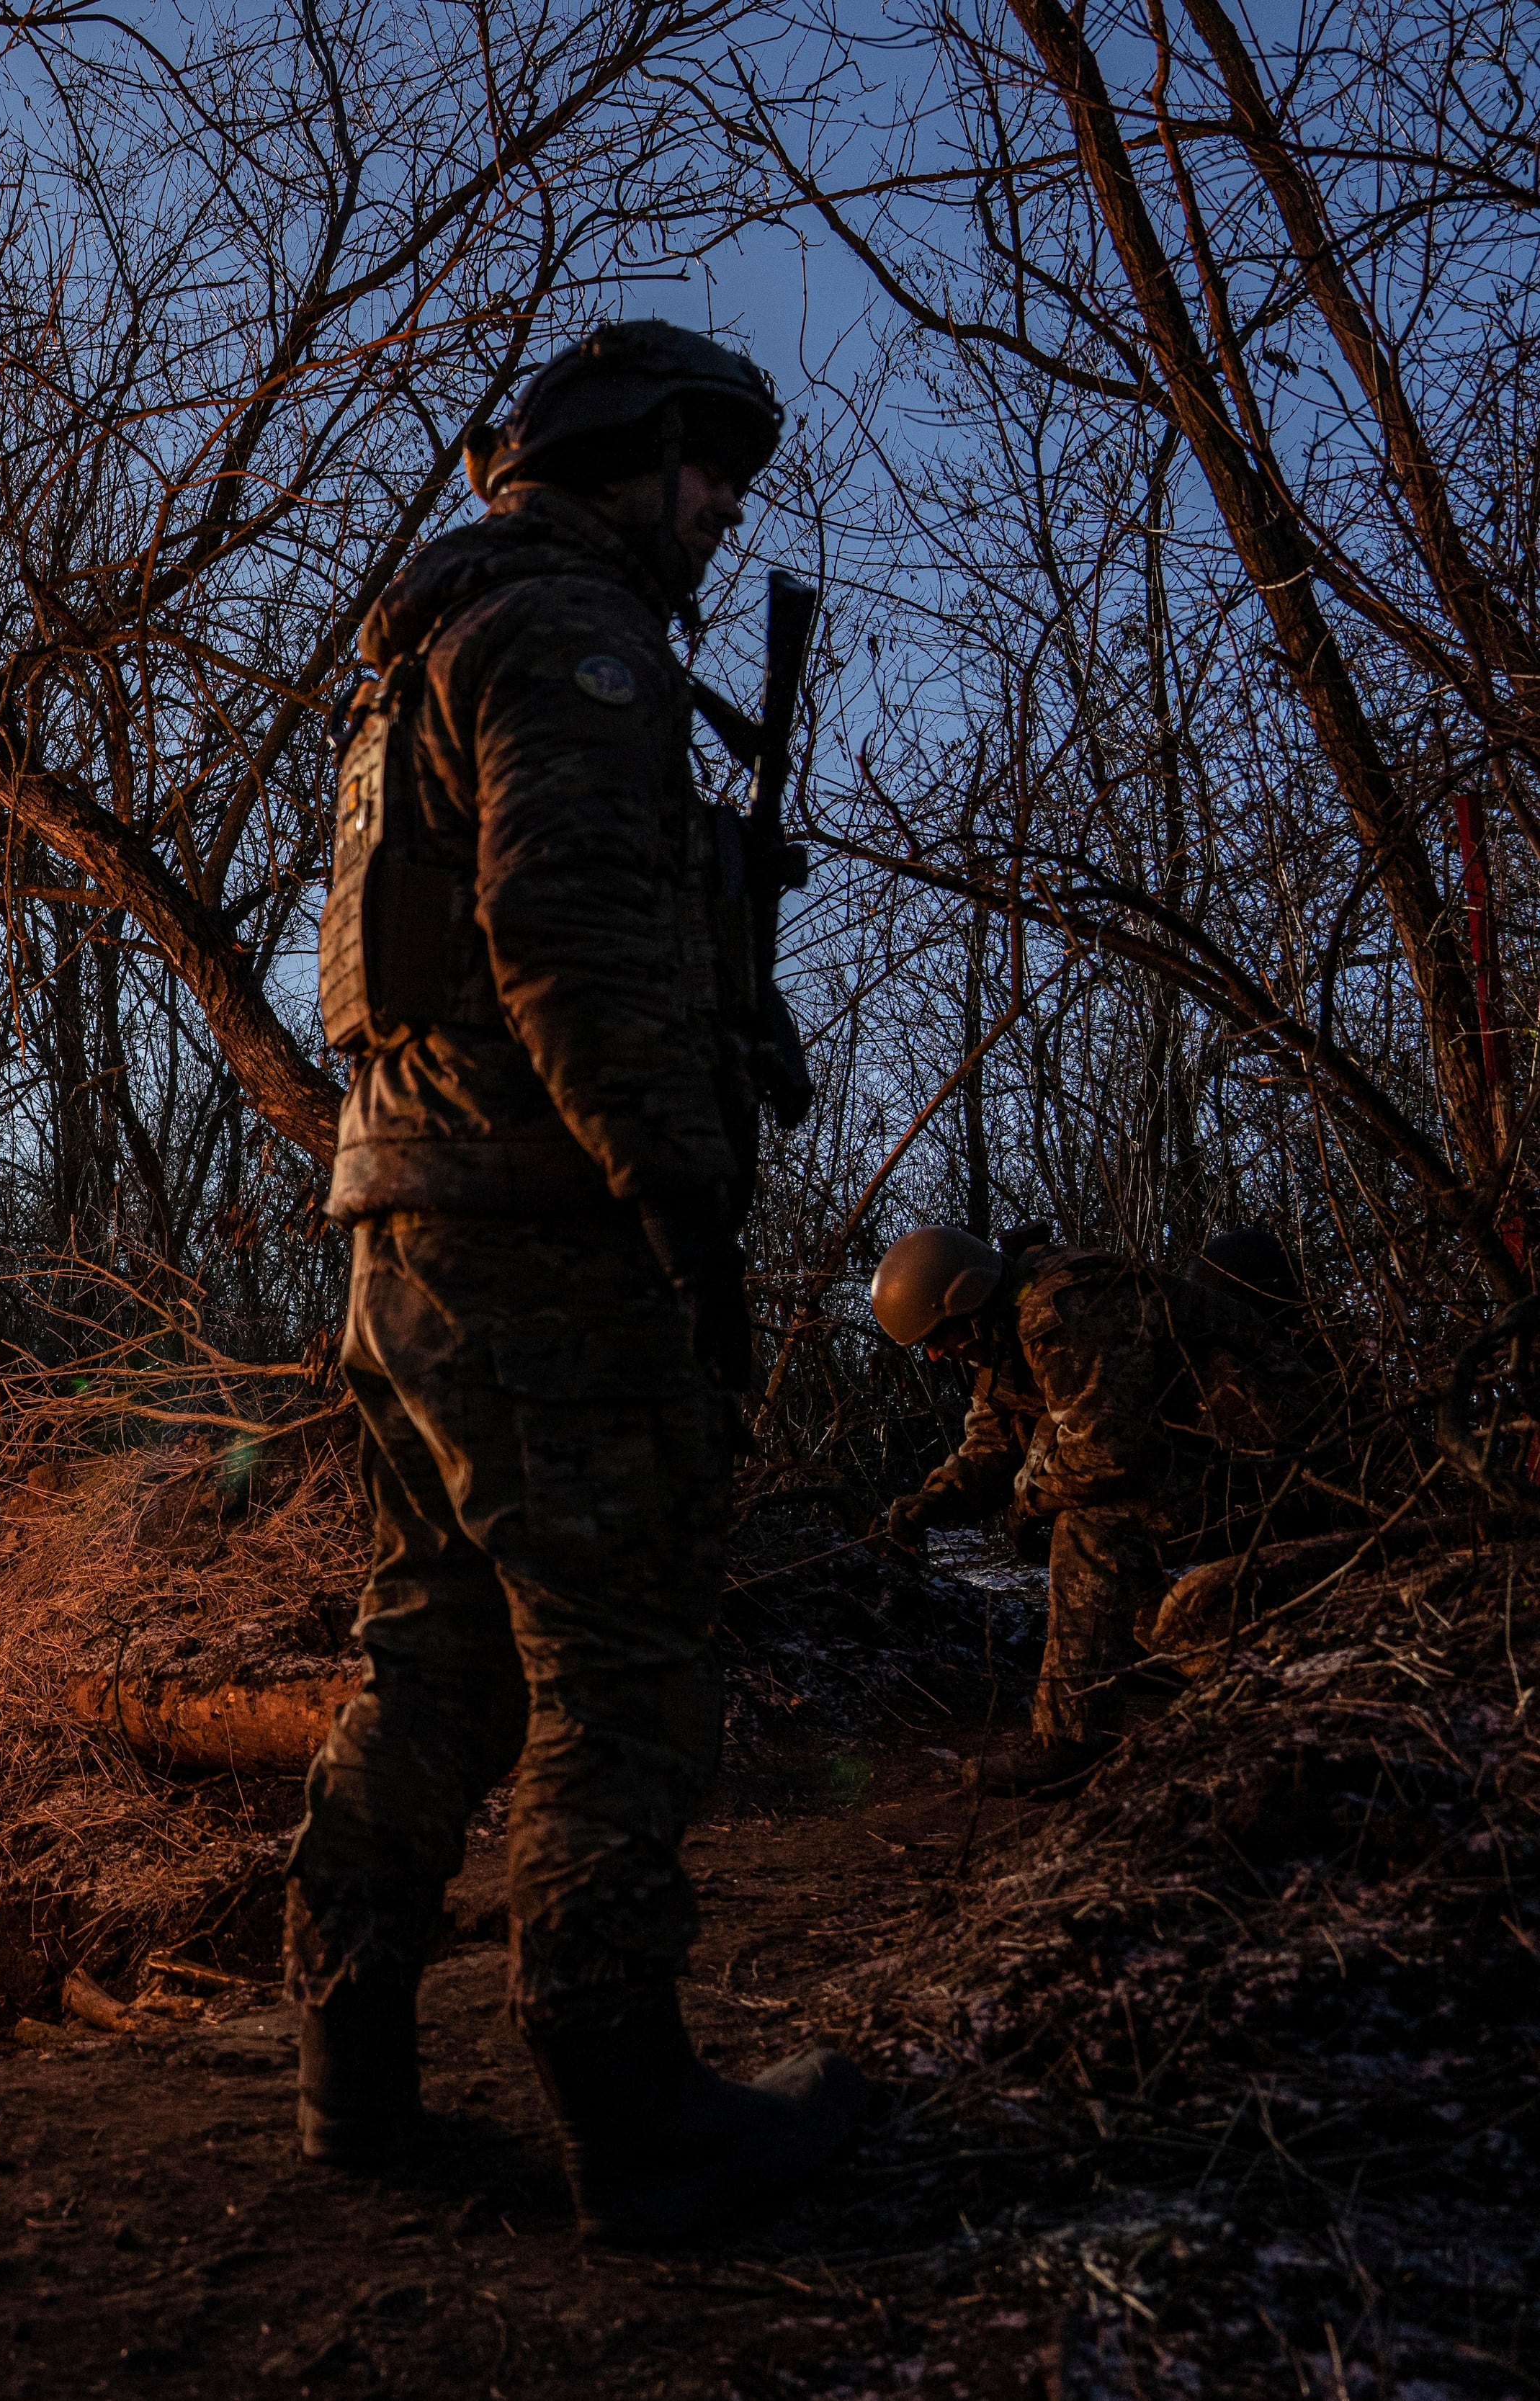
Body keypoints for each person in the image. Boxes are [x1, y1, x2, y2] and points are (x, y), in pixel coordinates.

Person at [290, 318, 864, 2245]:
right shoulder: (575, 635)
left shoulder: (436, 643)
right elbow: (567, 930)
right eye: (706, 469)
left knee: (430, 1653)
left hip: (403, 1218)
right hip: (540, 1230)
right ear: (622, 453)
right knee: (615, 1663)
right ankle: (629, 2107)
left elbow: (507, 913)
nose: (721, 509)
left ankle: (346, 2065)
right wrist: (684, 1207)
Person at [867, 1223, 1310, 1790]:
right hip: (1202, 1449)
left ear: (965, 1300)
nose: (932, 1353)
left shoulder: (1062, 1311)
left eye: (938, 1335)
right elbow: (996, 1441)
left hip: (1268, 1457)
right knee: (1073, 1521)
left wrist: (1030, 1500)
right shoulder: (1001, 1332)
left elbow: (1105, 1455)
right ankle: (1177, 1654)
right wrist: (932, 1501)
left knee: (1088, 1529)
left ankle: (1069, 1743)